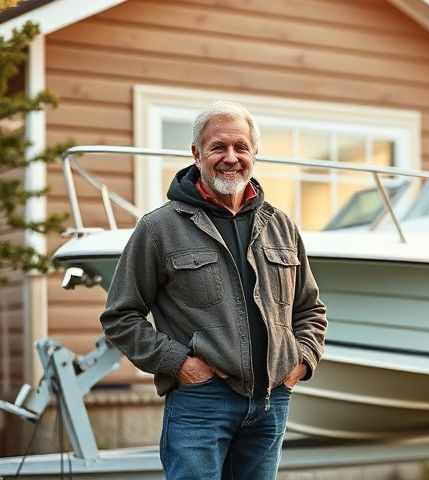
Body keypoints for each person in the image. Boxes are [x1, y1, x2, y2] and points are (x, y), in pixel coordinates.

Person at [99, 101, 327, 479]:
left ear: (254, 154)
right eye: (219, 147)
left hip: (272, 403)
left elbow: (310, 309)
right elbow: (120, 316)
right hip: (199, 403)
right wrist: (179, 364)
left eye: (241, 147)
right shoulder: (159, 229)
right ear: (197, 154)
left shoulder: (281, 225)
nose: (231, 158)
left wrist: (300, 362)